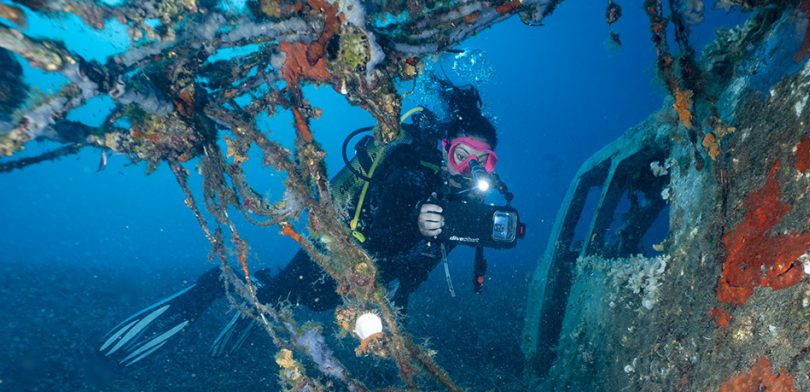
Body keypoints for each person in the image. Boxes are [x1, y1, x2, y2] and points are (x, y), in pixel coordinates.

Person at [100, 80, 515, 365]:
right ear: (445, 147)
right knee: (282, 295)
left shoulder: (464, 207)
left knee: (313, 303)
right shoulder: (410, 170)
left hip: (369, 275)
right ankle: (213, 286)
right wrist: (416, 226)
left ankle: (261, 282)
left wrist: (399, 303)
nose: (472, 169)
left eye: (484, 162)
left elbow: (423, 263)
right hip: (337, 249)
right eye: (464, 155)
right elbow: (378, 235)